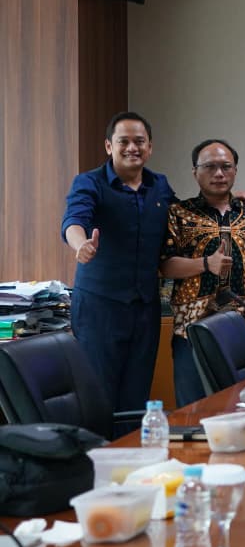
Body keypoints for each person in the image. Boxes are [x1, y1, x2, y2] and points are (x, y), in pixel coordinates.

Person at [61, 112, 175, 413]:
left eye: (140, 141)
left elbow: (186, 219)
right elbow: (74, 220)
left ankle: (133, 445)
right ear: (109, 146)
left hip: (145, 308)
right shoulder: (89, 182)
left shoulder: (160, 185)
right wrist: (80, 244)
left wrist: (227, 199)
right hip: (100, 308)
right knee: (99, 394)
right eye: (123, 141)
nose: (132, 148)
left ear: (150, 147)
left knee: (137, 396)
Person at [159, 139, 245, 406]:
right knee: (195, 410)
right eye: (210, 167)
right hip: (191, 329)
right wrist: (206, 264)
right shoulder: (178, 213)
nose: (219, 174)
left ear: (235, 170)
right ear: (195, 172)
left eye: (225, 166)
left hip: (242, 326)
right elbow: (165, 265)